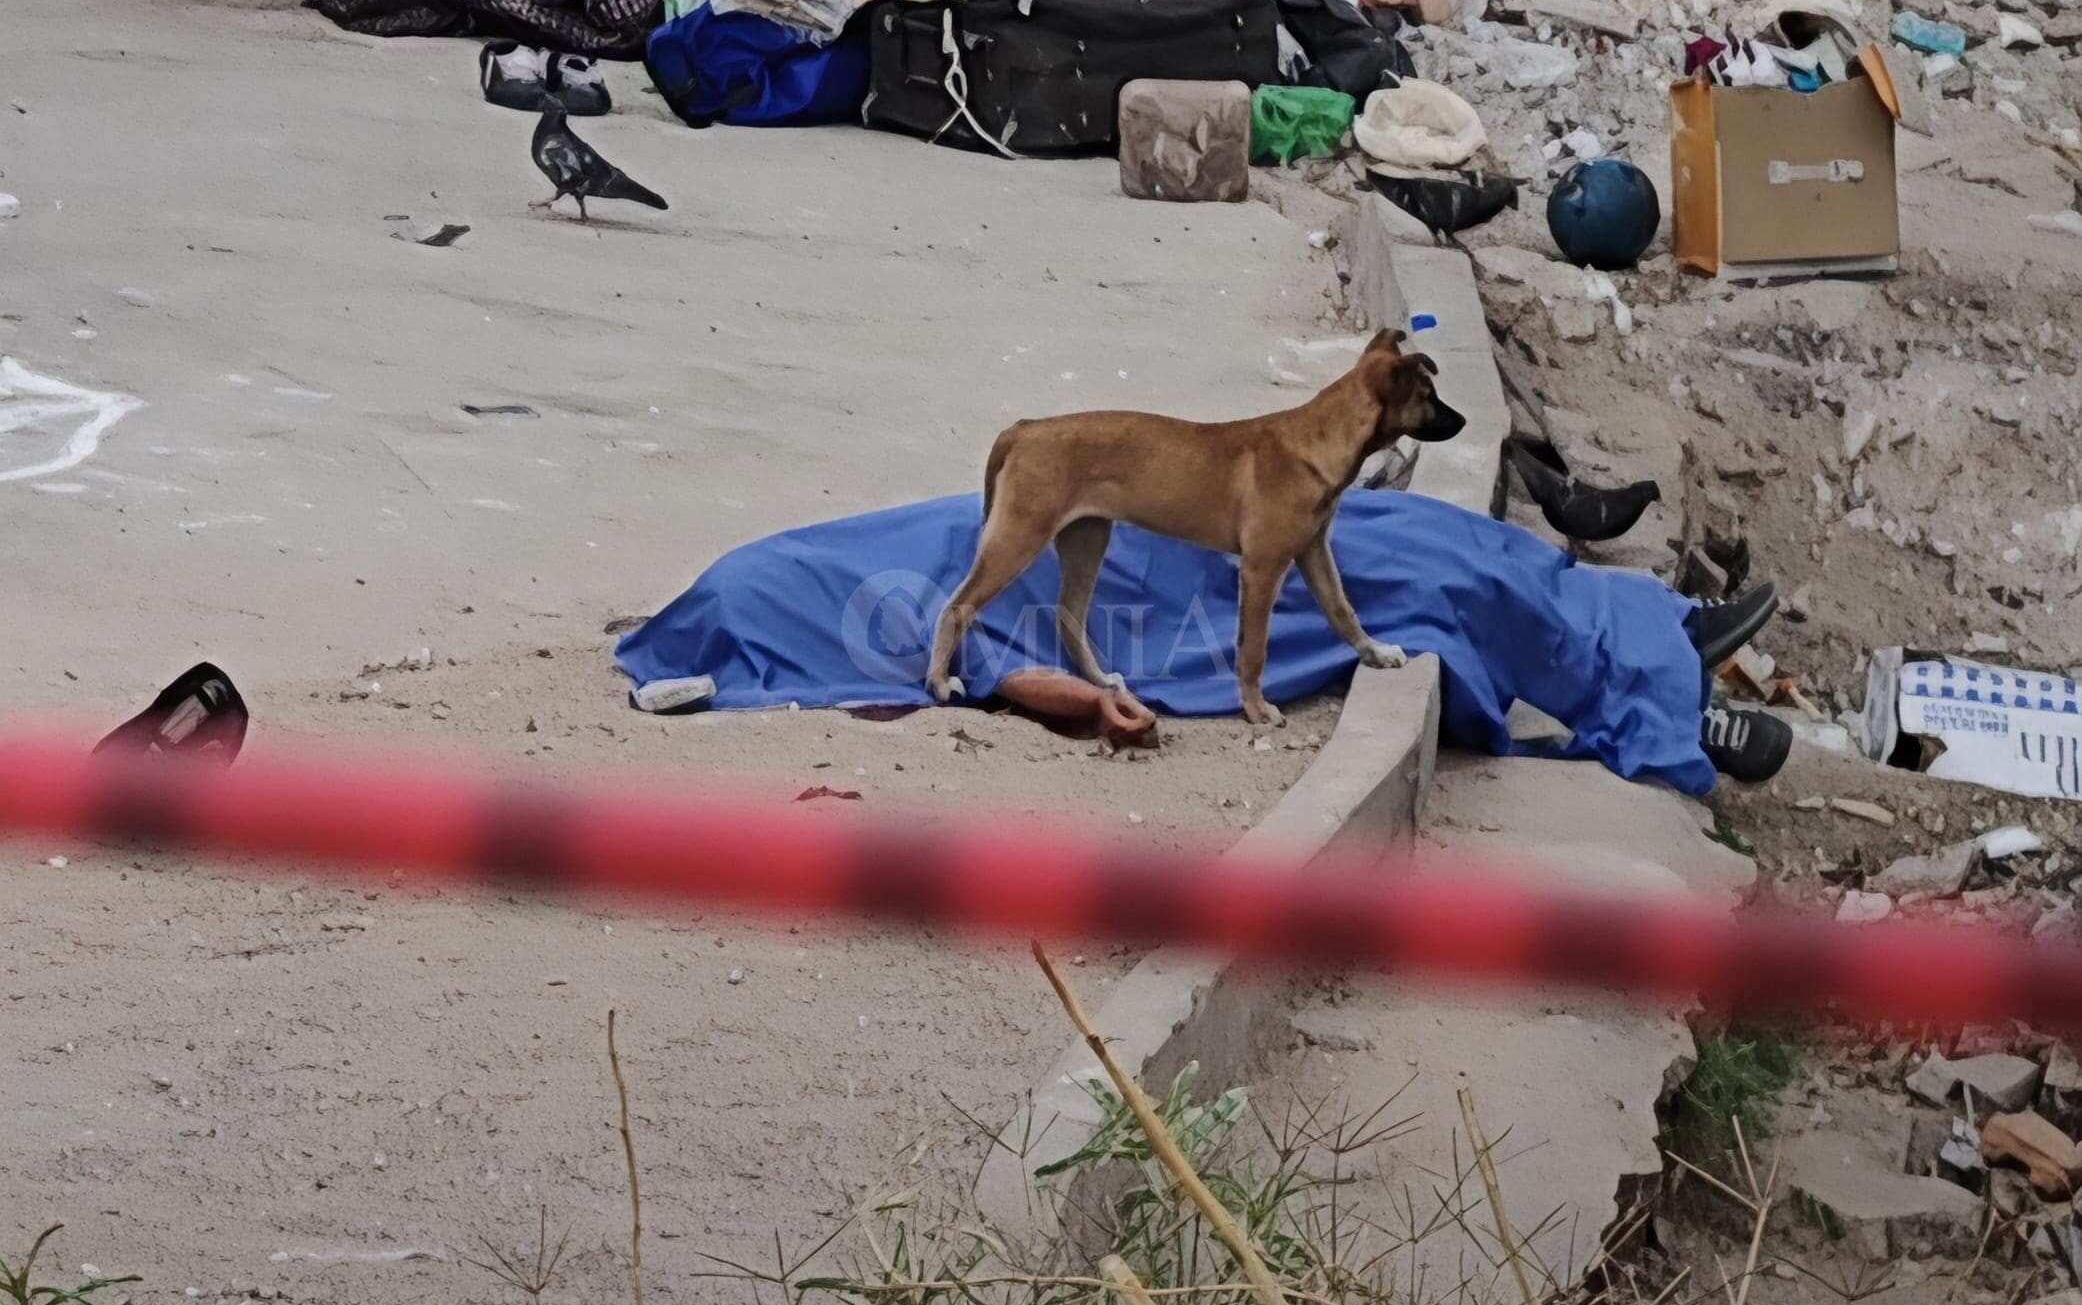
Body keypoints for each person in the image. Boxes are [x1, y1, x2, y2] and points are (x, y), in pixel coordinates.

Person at [617, 488, 1791, 795]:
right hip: (1168, 612)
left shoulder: (811, 580)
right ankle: (1663, 699)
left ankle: (1658, 631)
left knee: (1406, 541)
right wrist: (1087, 705)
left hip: (1142, 551)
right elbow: (973, 667)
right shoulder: (820, 616)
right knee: (1416, 584)